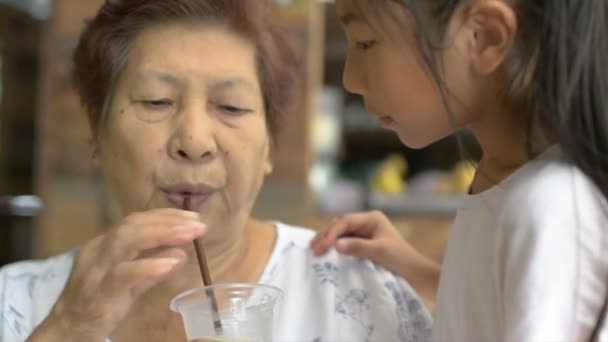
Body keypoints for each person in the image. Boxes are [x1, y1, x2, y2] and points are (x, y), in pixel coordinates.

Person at [0, 1, 432, 341]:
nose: (194, 142)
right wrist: (66, 332)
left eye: (230, 107)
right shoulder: (15, 303)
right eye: (156, 101)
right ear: (97, 130)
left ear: (269, 146)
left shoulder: (361, 294)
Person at [311, 0, 608, 340]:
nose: (350, 80)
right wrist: (420, 271)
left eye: (365, 42)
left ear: (483, 37)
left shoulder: (548, 208)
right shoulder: (506, 177)